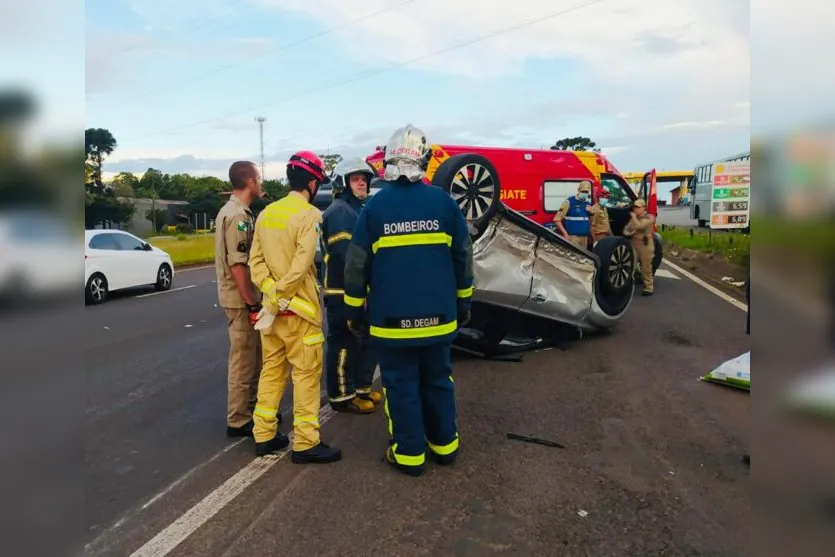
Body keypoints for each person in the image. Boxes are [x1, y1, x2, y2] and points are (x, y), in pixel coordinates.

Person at [343, 124, 474, 477]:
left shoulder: (374, 207)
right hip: (440, 320)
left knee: (400, 386)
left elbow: (356, 266)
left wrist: (354, 311)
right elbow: (464, 257)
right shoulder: (445, 203)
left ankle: (409, 455)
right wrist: (464, 304)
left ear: (388, 161)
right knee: (437, 381)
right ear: (426, 160)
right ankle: (445, 447)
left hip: (391, 323)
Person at [247, 151, 342, 463]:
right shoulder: (311, 216)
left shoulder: (266, 213)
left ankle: (264, 435)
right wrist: (281, 298)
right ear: (313, 183)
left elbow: (255, 263)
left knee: (272, 373)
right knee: (305, 376)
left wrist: (271, 297)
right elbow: (302, 266)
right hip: (299, 312)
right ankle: (305, 443)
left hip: (271, 316)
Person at [321, 157, 382, 414]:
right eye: (356, 178)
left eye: (364, 179)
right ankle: (342, 397)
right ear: (344, 182)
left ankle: (360, 389)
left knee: (365, 341)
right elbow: (347, 256)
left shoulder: (358, 209)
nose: (362, 183)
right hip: (341, 291)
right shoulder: (339, 212)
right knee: (344, 343)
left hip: (359, 290)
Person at [214, 160, 264, 438]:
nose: (261, 183)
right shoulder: (236, 216)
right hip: (239, 298)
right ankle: (239, 418)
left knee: (253, 357)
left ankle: (253, 408)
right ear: (250, 181)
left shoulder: (237, 211)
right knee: (244, 360)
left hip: (239, 297)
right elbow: (238, 265)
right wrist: (251, 302)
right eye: (259, 178)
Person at [623, 198, 656, 296]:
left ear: (643, 208)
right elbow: (626, 228)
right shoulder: (633, 219)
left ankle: (648, 287)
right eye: (635, 207)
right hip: (634, 242)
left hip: (645, 244)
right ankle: (627, 286)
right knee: (630, 265)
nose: (635, 209)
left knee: (646, 267)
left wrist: (634, 218)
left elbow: (641, 226)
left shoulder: (649, 217)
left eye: (638, 207)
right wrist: (628, 233)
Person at [553, 180, 592, 249]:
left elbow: (589, 221)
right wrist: (565, 234)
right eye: (583, 191)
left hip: (584, 238)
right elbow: (556, 219)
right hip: (573, 238)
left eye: (586, 192)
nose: (584, 193)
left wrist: (591, 212)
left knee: (583, 258)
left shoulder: (588, 204)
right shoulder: (569, 202)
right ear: (578, 190)